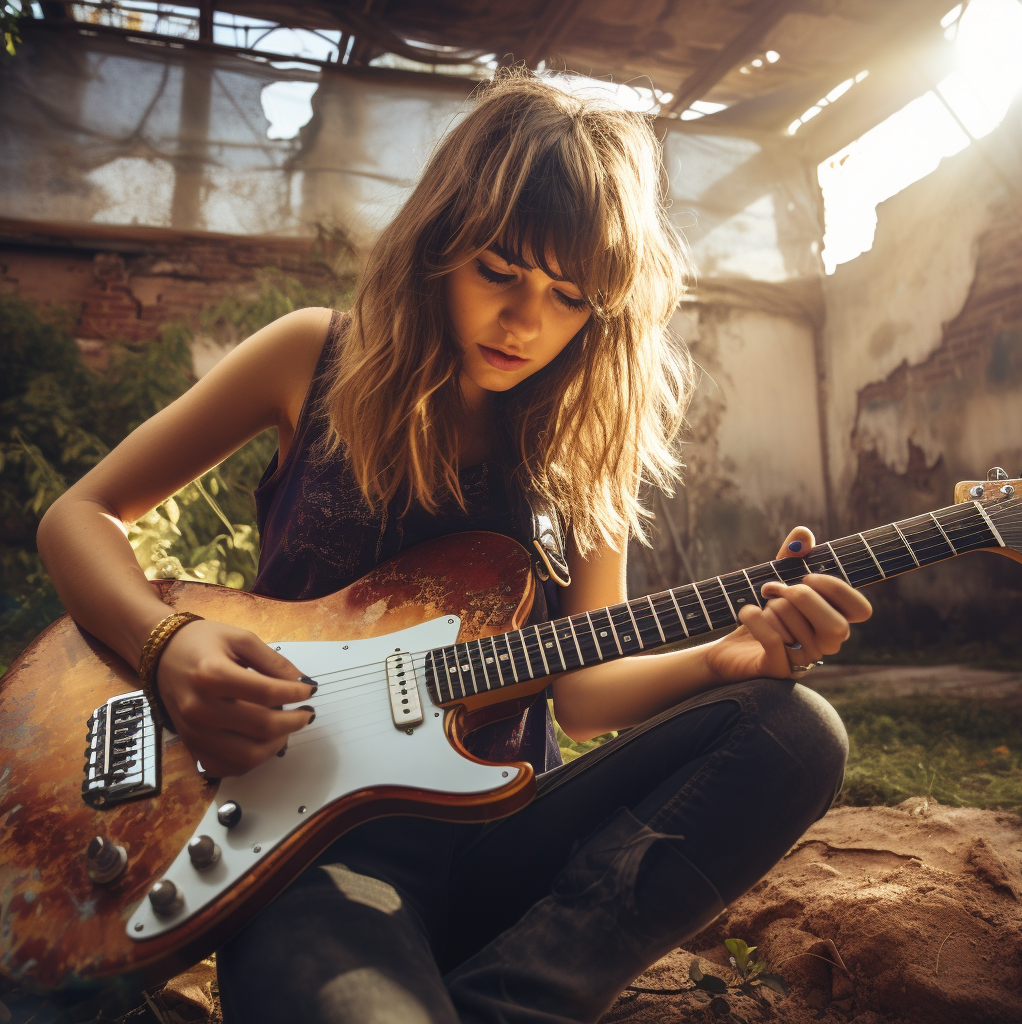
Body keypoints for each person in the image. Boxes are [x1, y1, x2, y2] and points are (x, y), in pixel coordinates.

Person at [37, 72, 871, 1024]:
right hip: (317, 848)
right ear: (439, 242)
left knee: (795, 732)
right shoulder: (312, 358)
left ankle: (512, 998)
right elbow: (79, 516)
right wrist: (164, 641)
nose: (527, 321)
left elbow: (585, 693)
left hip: (510, 837)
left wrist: (723, 661)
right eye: (499, 271)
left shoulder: (578, 455)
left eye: (568, 297)